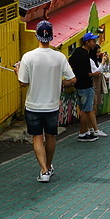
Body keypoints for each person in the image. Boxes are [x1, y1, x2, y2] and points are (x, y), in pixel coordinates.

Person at [14, 21, 77, 183]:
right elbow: (72, 79)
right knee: (50, 137)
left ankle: (43, 170)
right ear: (51, 36)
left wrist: (17, 71)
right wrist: (59, 82)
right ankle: (48, 166)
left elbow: (23, 83)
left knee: (36, 137)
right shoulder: (59, 57)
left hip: (33, 105)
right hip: (52, 105)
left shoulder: (28, 57)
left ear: (37, 36)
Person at [69, 32, 104, 142]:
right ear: (87, 42)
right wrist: (94, 74)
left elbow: (71, 63)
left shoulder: (77, 52)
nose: (94, 43)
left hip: (78, 84)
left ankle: (86, 131)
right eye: (93, 41)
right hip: (85, 85)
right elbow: (85, 73)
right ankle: (82, 133)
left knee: (85, 109)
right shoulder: (84, 55)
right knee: (86, 110)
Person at [88, 43, 107, 137]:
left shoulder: (96, 60)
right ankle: (93, 128)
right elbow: (96, 72)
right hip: (93, 85)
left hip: (96, 85)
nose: (98, 54)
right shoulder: (90, 60)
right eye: (97, 52)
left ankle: (91, 127)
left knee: (94, 106)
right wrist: (103, 63)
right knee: (92, 107)